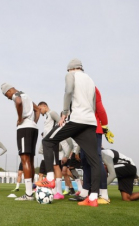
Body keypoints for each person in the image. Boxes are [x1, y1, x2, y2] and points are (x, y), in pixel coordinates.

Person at [36, 59, 101, 207]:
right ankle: (93, 198)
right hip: (90, 122)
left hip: (76, 119)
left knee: (47, 141)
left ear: (70, 69)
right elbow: (94, 102)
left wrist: (65, 112)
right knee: (94, 161)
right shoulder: (90, 80)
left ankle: (51, 179)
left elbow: (69, 91)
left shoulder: (72, 75)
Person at [69, 87, 111, 204]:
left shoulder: (92, 88)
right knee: (85, 161)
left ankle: (104, 194)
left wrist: (105, 125)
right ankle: (85, 192)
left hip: (94, 129)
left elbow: (100, 109)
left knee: (96, 160)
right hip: (83, 130)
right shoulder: (76, 93)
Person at [1, 83, 40, 201]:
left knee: (25, 159)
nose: (8, 98)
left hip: (24, 129)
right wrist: (33, 122)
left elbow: (18, 102)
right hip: (33, 128)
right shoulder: (26, 95)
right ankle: (31, 192)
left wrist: (20, 119)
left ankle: (28, 195)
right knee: (31, 160)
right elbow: (37, 109)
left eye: (6, 95)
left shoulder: (16, 95)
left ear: (9, 91)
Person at [37, 102, 66, 200]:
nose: (39, 112)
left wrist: (56, 138)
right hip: (48, 143)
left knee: (55, 166)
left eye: (40, 109)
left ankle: (58, 192)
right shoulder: (47, 116)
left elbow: (61, 123)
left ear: (44, 106)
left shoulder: (52, 113)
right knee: (54, 166)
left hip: (52, 142)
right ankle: (57, 191)